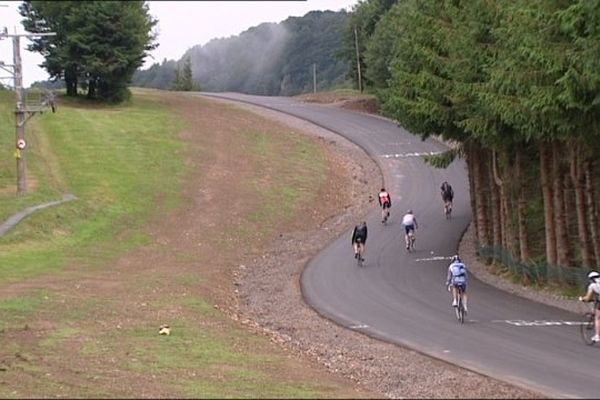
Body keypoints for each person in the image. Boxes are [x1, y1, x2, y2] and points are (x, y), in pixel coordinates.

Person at [578, 270, 600, 343]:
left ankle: (597, 336)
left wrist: (582, 299)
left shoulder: (592, 285)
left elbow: (588, 298)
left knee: (597, 318)